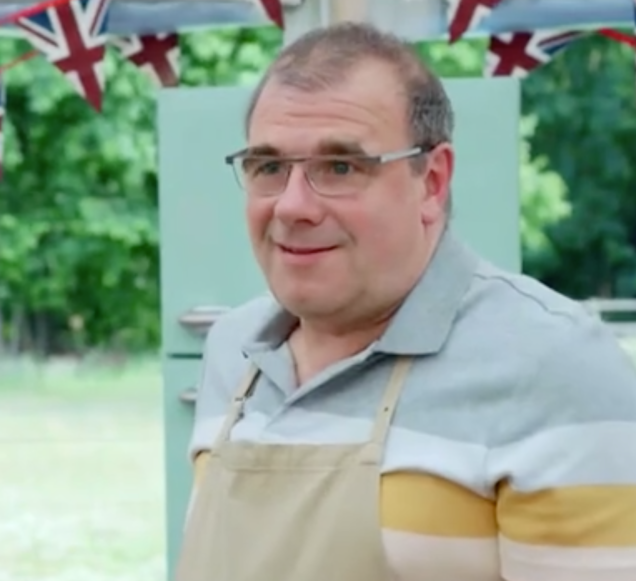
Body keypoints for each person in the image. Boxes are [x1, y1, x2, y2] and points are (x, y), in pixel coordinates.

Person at [176, 22, 636, 581]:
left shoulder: (554, 364)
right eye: (269, 167)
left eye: (340, 167)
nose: (292, 206)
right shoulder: (234, 351)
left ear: (432, 181)